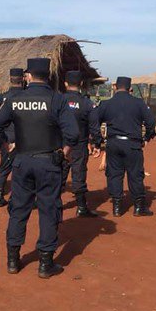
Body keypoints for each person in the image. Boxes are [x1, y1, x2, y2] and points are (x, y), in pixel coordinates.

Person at [0, 58, 80, 279]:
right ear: (47, 76)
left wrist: (7, 146)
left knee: (19, 210)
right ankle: (45, 264)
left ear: (28, 75)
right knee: (49, 210)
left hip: (22, 161)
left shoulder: (14, 99)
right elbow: (74, 134)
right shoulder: (56, 99)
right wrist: (64, 153)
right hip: (49, 163)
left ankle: (13, 260)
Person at [89, 76, 156, 217]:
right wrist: (147, 137)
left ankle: (117, 207)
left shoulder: (107, 104)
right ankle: (139, 208)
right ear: (130, 89)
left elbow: (93, 120)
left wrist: (98, 140)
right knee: (135, 175)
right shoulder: (139, 103)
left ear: (114, 87)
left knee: (114, 174)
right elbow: (151, 122)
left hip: (113, 143)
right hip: (133, 144)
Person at [61, 70, 100, 217]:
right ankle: (81, 207)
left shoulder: (58, 100)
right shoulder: (87, 103)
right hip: (79, 145)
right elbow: (94, 127)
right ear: (82, 84)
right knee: (79, 174)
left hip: (61, 145)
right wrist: (96, 144)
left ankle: (55, 205)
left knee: (58, 173)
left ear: (65, 84)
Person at [0, 68, 25, 207]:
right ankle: (18, 198)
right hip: (24, 138)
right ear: (22, 79)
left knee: (4, 167)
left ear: (10, 79)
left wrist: (3, 140)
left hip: (7, 137)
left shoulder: (3, 97)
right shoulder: (27, 96)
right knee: (22, 170)